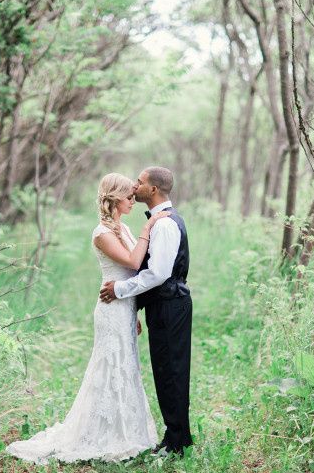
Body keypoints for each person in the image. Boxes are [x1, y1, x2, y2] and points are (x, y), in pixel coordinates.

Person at [5, 172, 170, 464]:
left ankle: (126, 432)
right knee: (108, 366)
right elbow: (133, 262)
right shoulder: (102, 233)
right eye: (129, 197)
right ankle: (98, 434)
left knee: (126, 366)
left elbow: (133, 270)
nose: (133, 201)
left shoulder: (124, 228)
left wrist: (134, 309)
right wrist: (149, 226)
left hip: (124, 305)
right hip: (110, 309)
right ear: (115, 199)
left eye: (133, 197)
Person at [100, 166, 193, 457]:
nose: (134, 186)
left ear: (152, 190)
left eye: (139, 182)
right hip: (163, 304)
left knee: (172, 371)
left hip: (169, 303)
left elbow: (157, 274)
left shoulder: (164, 224)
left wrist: (120, 291)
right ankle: (176, 437)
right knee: (167, 370)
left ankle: (176, 442)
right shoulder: (157, 221)